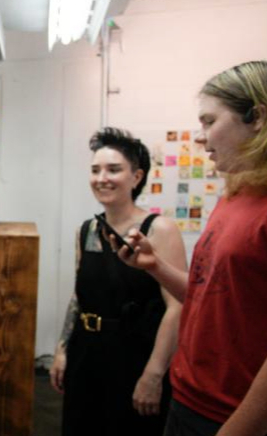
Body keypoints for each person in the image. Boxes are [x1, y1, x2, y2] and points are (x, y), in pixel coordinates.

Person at [114, 61, 267, 436]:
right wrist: (155, 266)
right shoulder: (234, 196)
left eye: (210, 121)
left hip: (232, 415)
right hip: (189, 398)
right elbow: (209, 297)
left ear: (258, 118)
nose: (201, 137)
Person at [49, 127, 187, 436]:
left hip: (135, 356)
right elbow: (79, 295)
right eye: (95, 170)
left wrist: (153, 374)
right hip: (87, 352)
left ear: (136, 177)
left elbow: (176, 307)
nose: (102, 178)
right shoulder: (86, 230)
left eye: (113, 170)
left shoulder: (159, 229)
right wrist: (62, 350)